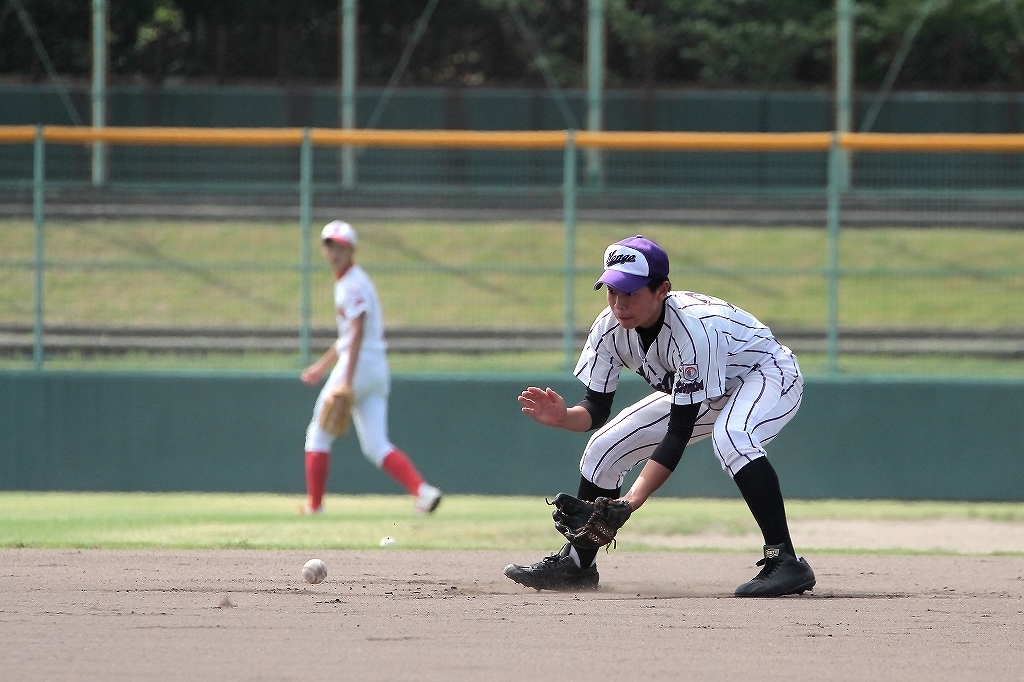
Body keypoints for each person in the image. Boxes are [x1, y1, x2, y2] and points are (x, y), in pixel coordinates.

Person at [503, 235, 815, 597]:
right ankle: (576, 564)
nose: (619, 303)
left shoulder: (695, 330)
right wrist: (565, 417)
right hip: (708, 391)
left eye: (631, 292)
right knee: (605, 447)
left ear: (662, 289)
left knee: (732, 437)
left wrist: (629, 503)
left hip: (766, 374)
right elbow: (596, 408)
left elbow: (679, 431)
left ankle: (785, 559)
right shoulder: (609, 329)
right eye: (611, 291)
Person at [299, 220, 443, 515]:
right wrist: (322, 366)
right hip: (376, 367)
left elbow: (358, 331)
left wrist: (345, 381)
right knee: (376, 444)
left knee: (318, 433)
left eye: (340, 246)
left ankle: (315, 506)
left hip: (359, 364)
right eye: (329, 246)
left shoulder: (353, 284)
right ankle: (424, 493)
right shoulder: (351, 281)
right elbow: (347, 336)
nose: (334, 252)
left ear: (351, 249)